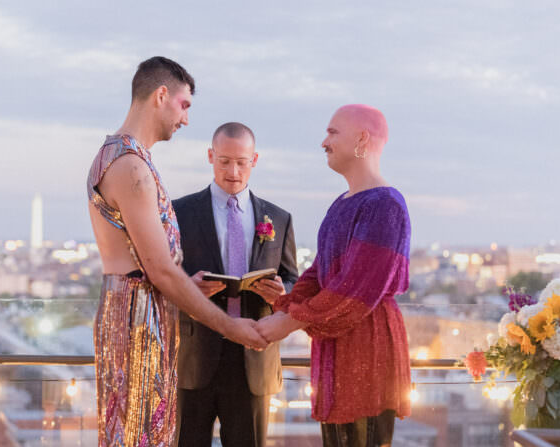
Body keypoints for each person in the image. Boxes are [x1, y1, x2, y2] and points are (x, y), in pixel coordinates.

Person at [87, 57, 267, 447]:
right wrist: (229, 325)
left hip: (138, 314)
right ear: (161, 95)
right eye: (184, 106)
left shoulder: (119, 157)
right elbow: (161, 272)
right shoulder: (131, 167)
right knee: (138, 437)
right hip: (138, 323)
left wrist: (187, 287)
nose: (185, 120)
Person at [256, 105, 412, 447]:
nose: (323, 142)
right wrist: (286, 303)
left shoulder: (385, 205)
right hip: (339, 347)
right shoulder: (344, 203)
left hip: (367, 349)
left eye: (332, 132)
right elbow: (321, 274)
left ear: (362, 139)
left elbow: (353, 291)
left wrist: (285, 322)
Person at [173, 122, 299, 447]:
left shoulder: (279, 218)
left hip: (254, 358)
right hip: (194, 356)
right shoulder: (179, 212)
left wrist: (282, 293)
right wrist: (188, 286)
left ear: (254, 160)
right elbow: (163, 279)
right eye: (225, 161)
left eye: (241, 162)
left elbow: (293, 279)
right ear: (210, 156)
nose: (233, 171)